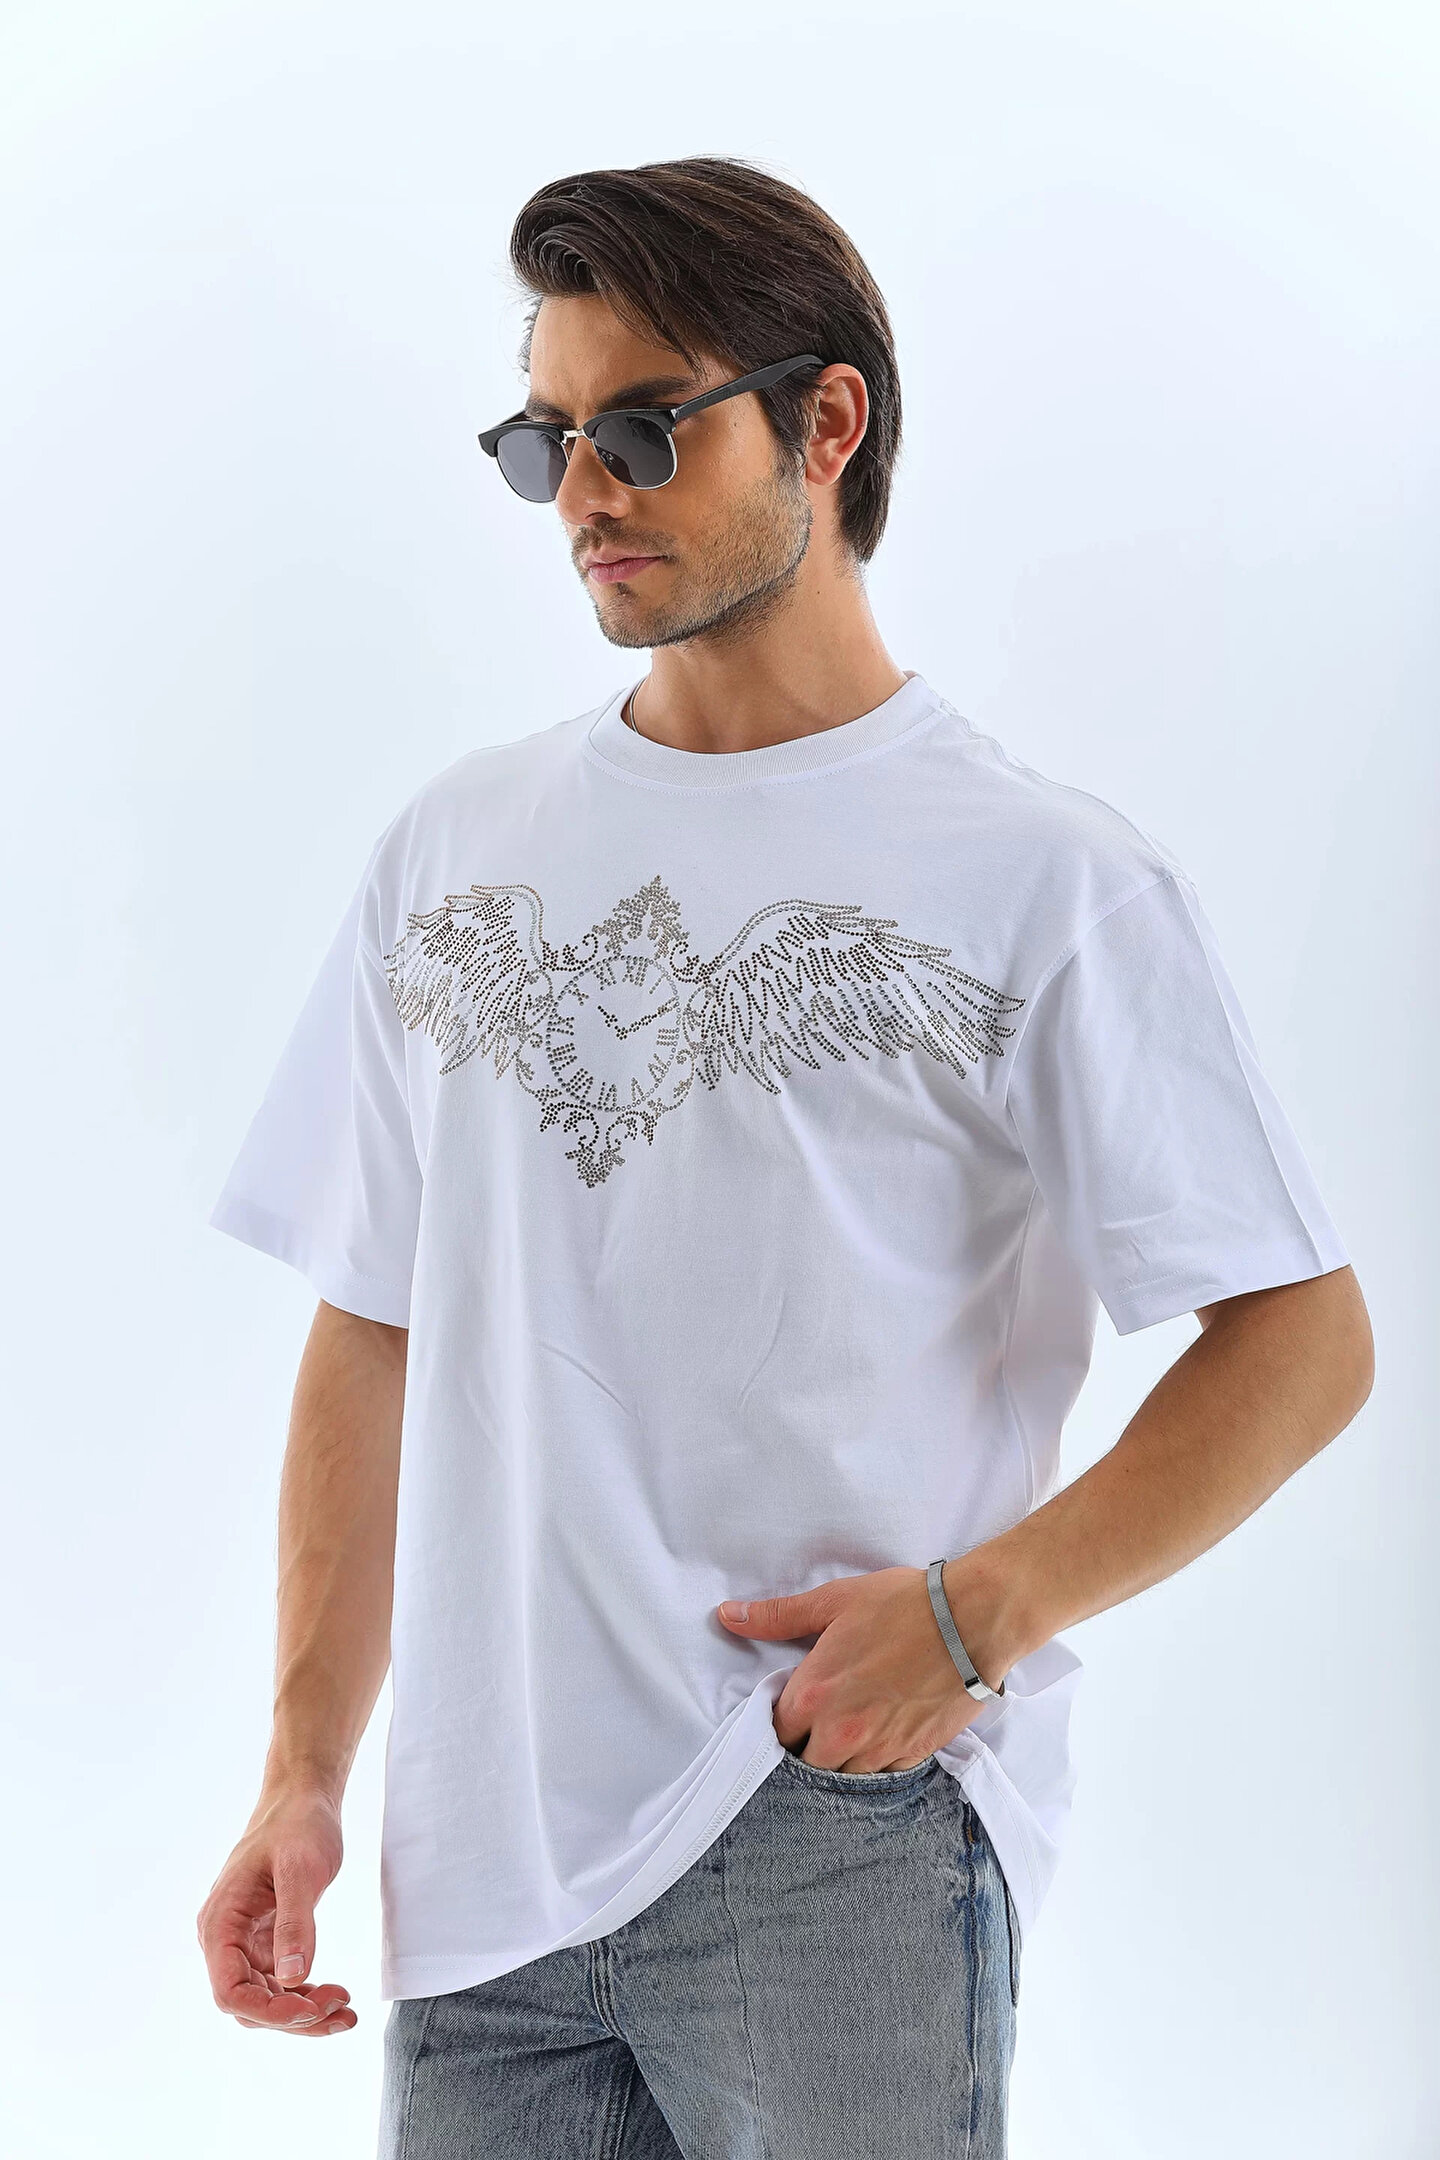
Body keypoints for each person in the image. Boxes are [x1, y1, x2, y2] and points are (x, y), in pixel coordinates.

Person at [195, 156, 1374, 2158]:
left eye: (646, 429)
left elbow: (1303, 1339)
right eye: (546, 441)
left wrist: (980, 1613)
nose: (586, 491)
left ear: (827, 423)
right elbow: (375, 1324)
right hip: (480, 1874)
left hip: (827, 1819)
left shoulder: (1041, 878)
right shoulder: (458, 849)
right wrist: (306, 1767)